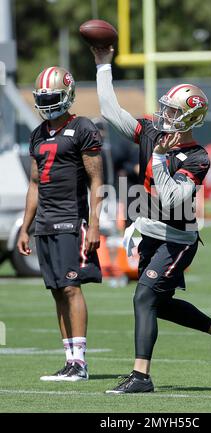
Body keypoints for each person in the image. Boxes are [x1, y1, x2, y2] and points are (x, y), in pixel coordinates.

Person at [92, 46, 211, 394]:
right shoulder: (150, 132)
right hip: (148, 231)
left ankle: (141, 376)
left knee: (144, 297)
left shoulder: (197, 157)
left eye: (174, 111)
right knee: (158, 304)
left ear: (191, 117)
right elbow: (111, 111)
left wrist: (160, 160)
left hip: (177, 239)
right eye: (165, 107)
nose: (164, 114)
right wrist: (103, 65)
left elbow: (173, 197)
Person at [17, 66, 103, 382]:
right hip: (45, 222)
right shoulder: (37, 133)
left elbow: (97, 180)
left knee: (70, 287)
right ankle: (69, 360)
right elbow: (34, 184)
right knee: (55, 290)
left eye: (51, 96)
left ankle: (80, 362)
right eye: (43, 97)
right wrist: (25, 226)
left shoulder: (82, 128)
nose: (46, 103)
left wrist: (94, 224)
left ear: (66, 95)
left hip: (71, 219)